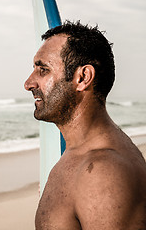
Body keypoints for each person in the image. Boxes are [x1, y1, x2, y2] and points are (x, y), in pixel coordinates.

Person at [24, 21, 146, 229]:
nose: (28, 83)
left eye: (43, 70)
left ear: (83, 77)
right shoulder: (82, 156)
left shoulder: (102, 173)